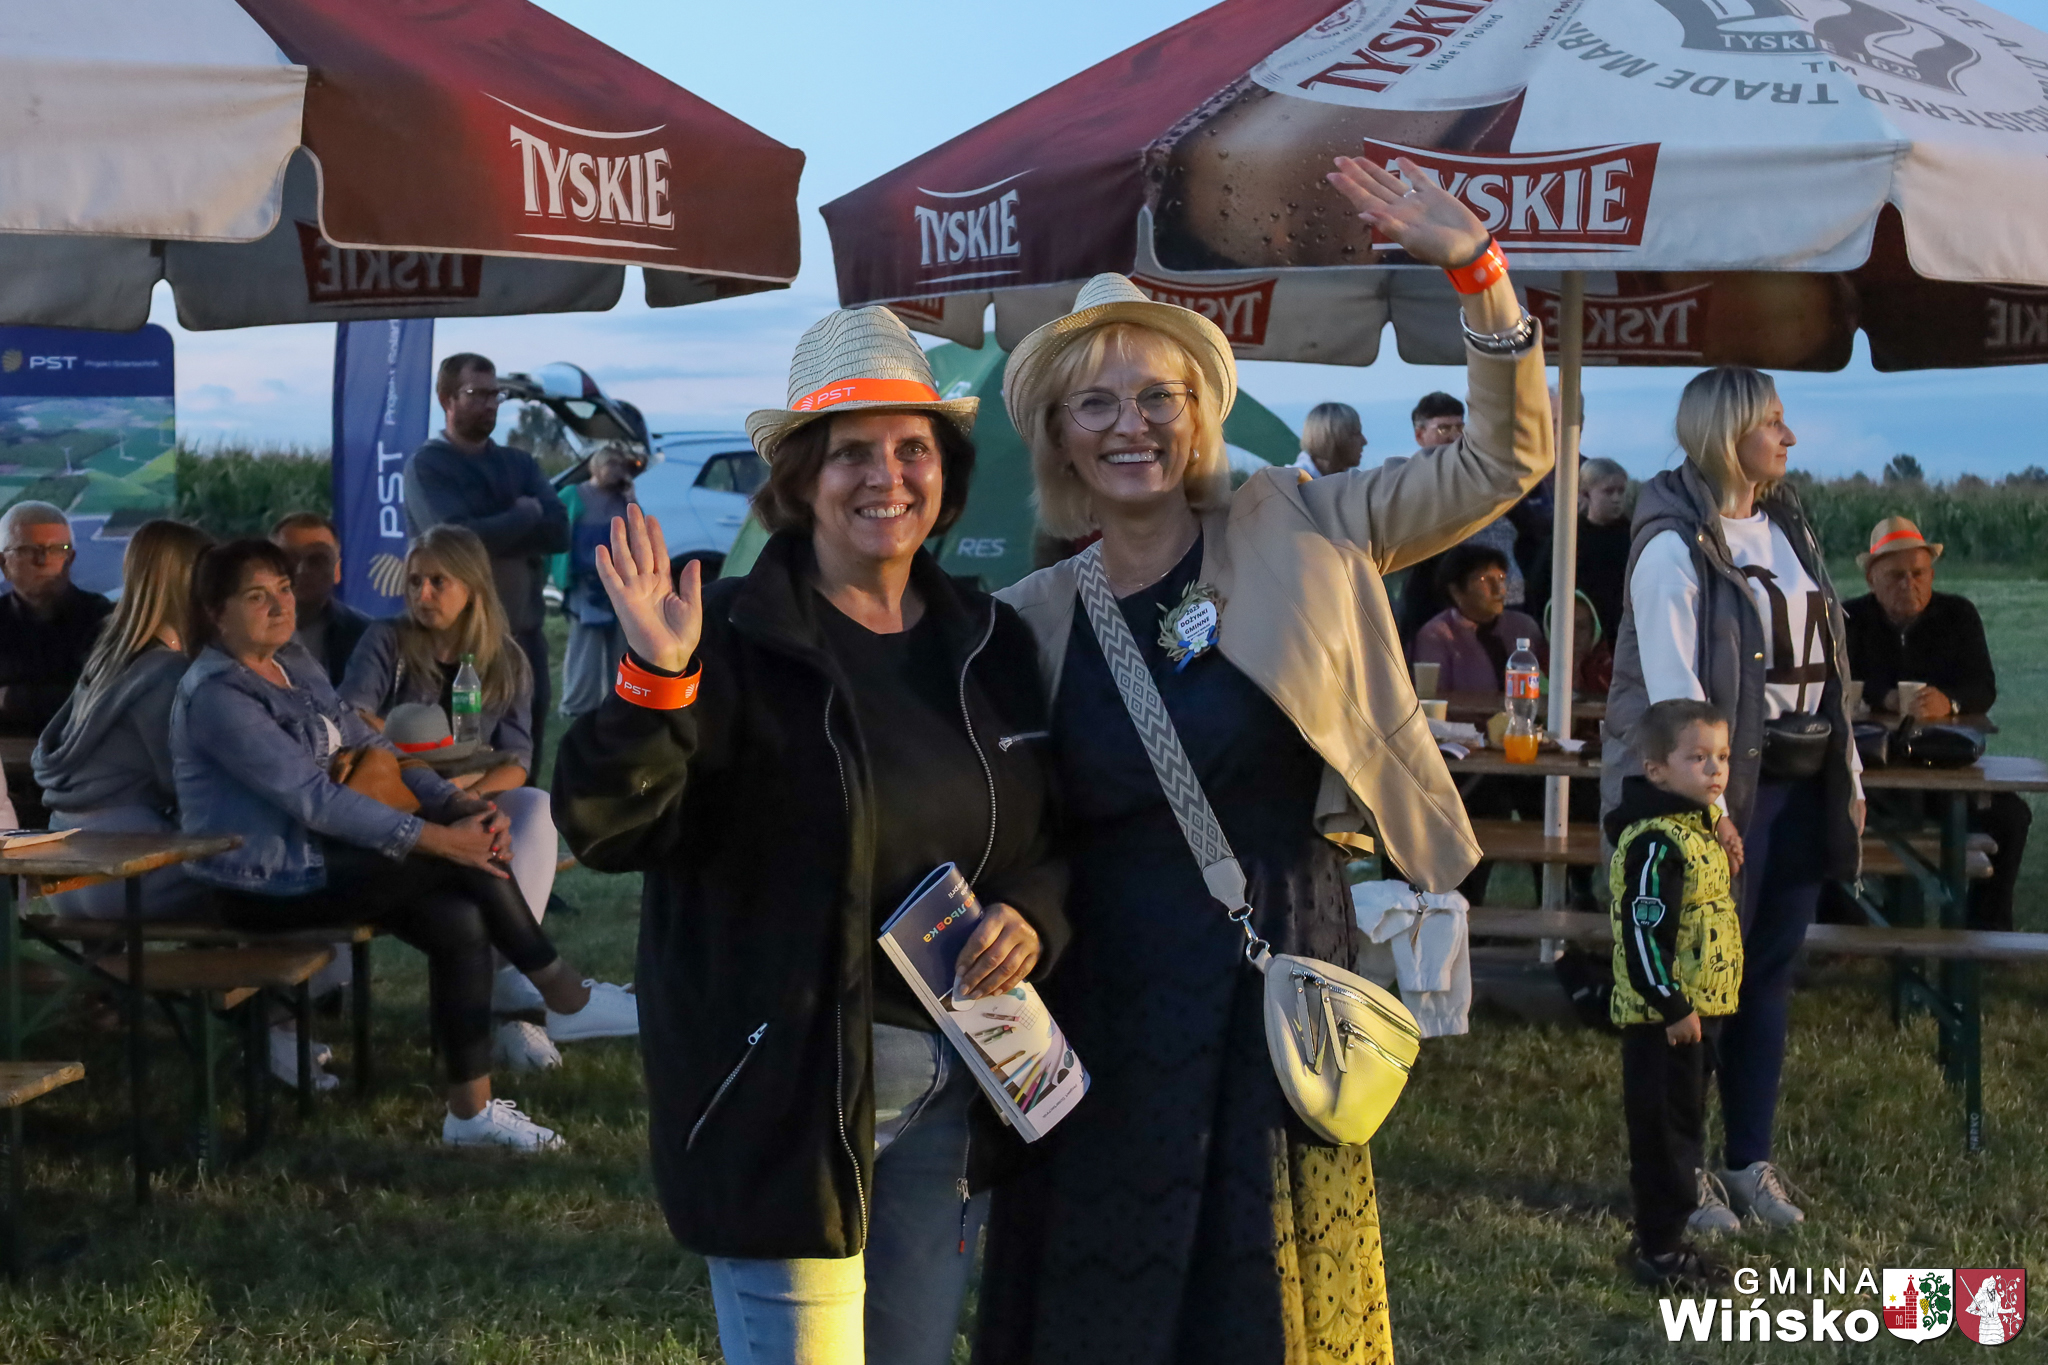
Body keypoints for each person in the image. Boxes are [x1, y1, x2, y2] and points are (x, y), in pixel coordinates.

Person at [974, 154, 1551, 1365]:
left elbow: (1498, 465)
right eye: (1095, 404)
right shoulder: (1030, 616)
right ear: (1059, 439)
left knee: (1266, 1292)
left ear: (1199, 416)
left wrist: (1477, 275)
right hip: (1103, 989)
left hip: (1271, 955)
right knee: (1105, 1286)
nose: (1130, 424)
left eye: (1158, 396)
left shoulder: (1296, 522)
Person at [553, 307, 1067, 1365]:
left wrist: (1032, 913)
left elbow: (1046, 835)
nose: (887, 476)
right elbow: (607, 828)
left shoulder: (991, 640)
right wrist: (654, 683)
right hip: (784, 1095)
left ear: (946, 475)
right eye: (851, 453)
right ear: (799, 480)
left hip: (956, 1081)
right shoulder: (730, 636)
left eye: (912, 448)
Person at [171, 539, 637, 1151]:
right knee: (461, 866)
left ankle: (471, 1114)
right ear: (216, 612)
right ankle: (563, 993)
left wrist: (458, 806)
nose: (281, 606)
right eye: (257, 597)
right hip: (258, 882)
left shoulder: (293, 662)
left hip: (325, 861)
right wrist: (442, 839)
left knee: (458, 918)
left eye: (283, 589)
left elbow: (375, 748)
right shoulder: (217, 694)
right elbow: (314, 798)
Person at [1603, 366, 1862, 1234]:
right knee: (1692, 982)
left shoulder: (1788, 525)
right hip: (1713, 794)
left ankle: (1747, 1159)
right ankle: (1679, 1178)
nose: (1789, 438)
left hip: (1796, 780)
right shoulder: (1673, 542)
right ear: (1728, 432)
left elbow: (1826, 659)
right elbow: (1674, 694)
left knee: (1766, 975)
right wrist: (1708, 810)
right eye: (1773, 422)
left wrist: (1847, 769)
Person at [338, 525, 589, 1065]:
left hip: (469, 793)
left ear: (472, 587)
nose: (422, 594)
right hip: (398, 795)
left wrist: (466, 793)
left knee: (535, 808)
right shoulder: (387, 640)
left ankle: (507, 981)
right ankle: (525, 986)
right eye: (414, 582)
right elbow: (352, 715)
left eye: (437, 582)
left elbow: (517, 760)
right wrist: (416, 761)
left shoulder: (505, 658)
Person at [1606, 699, 1743, 1291]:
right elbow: (1643, 932)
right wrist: (1672, 1004)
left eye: (1723, 757)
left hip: (1697, 1014)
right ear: (1657, 770)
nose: (1715, 769)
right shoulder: (1656, 843)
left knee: (1685, 1124)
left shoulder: (1698, 828)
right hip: (1663, 1019)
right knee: (1663, 1134)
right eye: (1698, 758)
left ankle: (1669, 1238)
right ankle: (1659, 1250)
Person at [1842, 516, 2028, 930]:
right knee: (1815, 809)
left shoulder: (1958, 615)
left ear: (1932, 575)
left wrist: (1950, 701)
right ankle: (1845, 925)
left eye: (1919, 573)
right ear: (1872, 580)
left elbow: (1983, 687)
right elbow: (1834, 681)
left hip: (1945, 768)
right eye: (1896, 575)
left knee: (2011, 817)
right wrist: (1882, 696)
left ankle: (1986, 929)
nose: (1909, 584)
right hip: (1869, 775)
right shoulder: (1849, 618)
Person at [33, 520, 215, 919]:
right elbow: (189, 785)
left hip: (61, 873)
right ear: (188, 582)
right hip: (126, 870)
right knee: (276, 867)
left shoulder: (105, 662)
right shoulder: (168, 674)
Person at [404, 353, 570, 766]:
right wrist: (523, 516)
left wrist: (489, 529)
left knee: (522, 760)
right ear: (447, 399)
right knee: (460, 762)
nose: (490, 404)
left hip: (523, 637)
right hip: (459, 645)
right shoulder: (428, 467)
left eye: (495, 395)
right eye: (477, 394)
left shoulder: (519, 464)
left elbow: (559, 531)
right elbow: (454, 542)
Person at [1395, 390, 1527, 643]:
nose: (1454, 436)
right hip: (1443, 605)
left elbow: (1527, 528)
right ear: (1420, 435)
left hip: (1507, 599)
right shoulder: (1411, 482)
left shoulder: (1488, 476)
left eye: (1460, 427)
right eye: (1444, 429)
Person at [0, 501, 114, 739]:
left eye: (57, 549)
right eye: (28, 550)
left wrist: (10, 699)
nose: (43, 560)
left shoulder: (103, 619)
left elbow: (104, 700)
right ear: (3, 564)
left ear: (70, 559)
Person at [556, 444, 639, 718]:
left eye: (620, 466)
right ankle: (577, 706)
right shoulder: (573, 494)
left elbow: (637, 531)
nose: (617, 471)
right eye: (611, 465)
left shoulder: (622, 498)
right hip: (586, 582)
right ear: (596, 466)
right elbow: (554, 530)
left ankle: (620, 702)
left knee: (621, 647)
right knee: (585, 649)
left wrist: (631, 499)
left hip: (619, 583)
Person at [1411, 543, 1547, 694]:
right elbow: (1435, 695)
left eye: (1501, 578)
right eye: (1484, 579)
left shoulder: (1524, 627)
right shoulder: (1437, 634)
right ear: (1456, 591)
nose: (1498, 589)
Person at [272, 513, 372, 687]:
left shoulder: (366, 636)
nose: (301, 569)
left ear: (337, 571)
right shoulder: (238, 631)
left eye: (317, 560)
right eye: (289, 558)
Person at [1578, 457, 1633, 643]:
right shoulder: (1570, 538)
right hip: (1583, 634)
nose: (1616, 498)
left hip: (1624, 630)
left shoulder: (1633, 536)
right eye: (1608, 491)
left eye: (1621, 491)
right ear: (1585, 494)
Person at [1293, 401, 1366, 478]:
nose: (1364, 442)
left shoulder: (1353, 480)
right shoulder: (1294, 482)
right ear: (1334, 438)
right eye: (1356, 433)